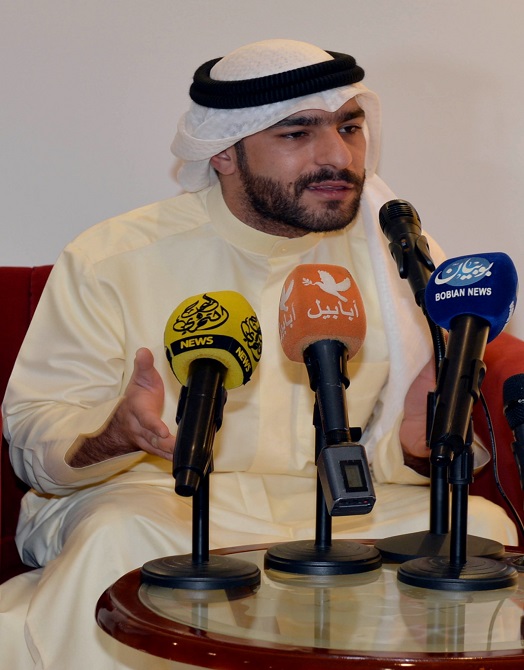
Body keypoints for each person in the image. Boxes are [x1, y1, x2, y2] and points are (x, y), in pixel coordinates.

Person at [0, 39, 517, 670]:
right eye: (298, 133)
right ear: (223, 152)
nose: (338, 156)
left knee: (478, 530)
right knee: (122, 536)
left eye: (350, 128)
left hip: (333, 507)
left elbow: (396, 453)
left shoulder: (396, 255)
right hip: (159, 501)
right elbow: (35, 437)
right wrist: (114, 436)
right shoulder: (113, 258)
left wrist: (413, 444)